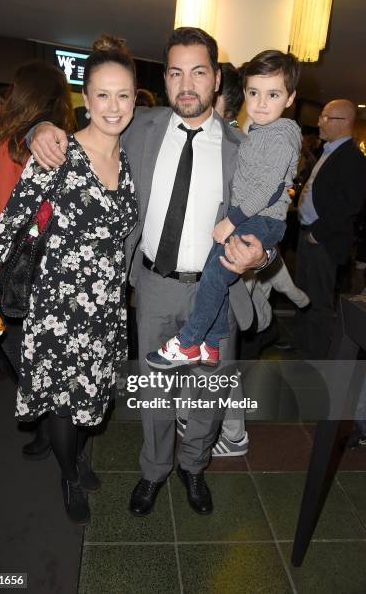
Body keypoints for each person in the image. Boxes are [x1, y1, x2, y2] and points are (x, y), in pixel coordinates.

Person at [28, 27, 271, 517]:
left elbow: (268, 229)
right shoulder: (141, 126)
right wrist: (38, 131)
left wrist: (259, 257)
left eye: (198, 72)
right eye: (176, 72)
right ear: (165, 80)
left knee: (205, 396)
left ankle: (194, 467)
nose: (187, 84)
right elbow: (85, 128)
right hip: (155, 286)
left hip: (216, 290)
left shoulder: (246, 151)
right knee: (155, 391)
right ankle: (154, 470)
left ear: (216, 79)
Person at [0, 35, 138, 525]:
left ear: (133, 101)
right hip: (60, 304)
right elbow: (9, 224)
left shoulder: (126, 161)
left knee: (91, 399)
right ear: (86, 98)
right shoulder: (58, 153)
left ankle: (79, 457)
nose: (113, 106)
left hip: (105, 305)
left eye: (123, 95)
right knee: (63, 403)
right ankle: (68, 472)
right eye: (102, 94)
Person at [146, 49, 301, 370]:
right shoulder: (254, 134)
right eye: (254, 93)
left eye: (273, 94)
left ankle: (189, 342)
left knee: (214, 277)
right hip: (156, 282)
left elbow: (270, 190)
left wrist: (233, 221)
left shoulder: (280, 135)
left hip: (256, 222)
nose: (260, 103)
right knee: (214, 277)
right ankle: (210, 344)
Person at [0, 61, 76, 460]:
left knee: (22, 353)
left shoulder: (12, 146)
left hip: (20, 274)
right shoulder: (70, 142)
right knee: (52, 359)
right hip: (61, 274)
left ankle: (48, 427)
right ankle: (51, 433)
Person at [295, 99, 366, 359]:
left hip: (323, 239)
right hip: (309, 232)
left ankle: (314, 355)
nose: (318, 122)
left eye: (325, 117)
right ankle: (301, 344)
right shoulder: (330, 150)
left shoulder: (352, 157)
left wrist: (318, 232)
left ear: (344, 122)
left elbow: (350, 203)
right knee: (303, 294)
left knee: (318, 300)